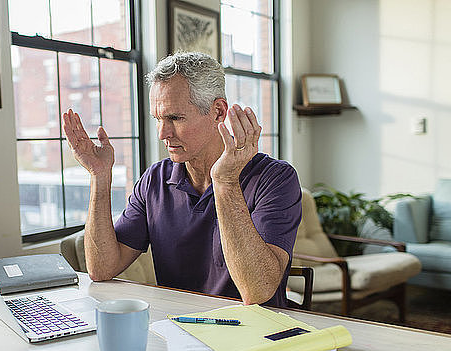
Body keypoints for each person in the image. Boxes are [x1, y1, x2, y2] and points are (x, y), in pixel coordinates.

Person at [62, 52, 301, 307]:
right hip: (178, 329)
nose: (163, 133)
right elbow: (101, 269)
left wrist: (225, 182)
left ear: (218, 112)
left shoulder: (275, 178)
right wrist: (100, 176)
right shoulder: (154, 179)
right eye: (158, 119)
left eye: (175, 118)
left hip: (254, 335)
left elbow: (257, 292)